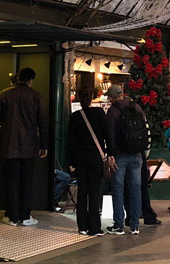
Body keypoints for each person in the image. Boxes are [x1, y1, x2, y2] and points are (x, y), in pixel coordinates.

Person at [0, 68, 49, 227]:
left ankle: (11, 216)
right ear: (31, 80)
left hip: (8, 145)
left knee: (11, 181)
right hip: (29, 147)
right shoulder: (36, 96)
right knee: (27, 181)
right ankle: (25, 216)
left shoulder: (4, 94)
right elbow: (43, 123)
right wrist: (44, 145)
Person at [108, 85, 162, 227]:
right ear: (122, 94)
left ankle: (119, 223)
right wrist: (144, 152)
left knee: (119, 188)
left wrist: (110, 154)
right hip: (137, 154)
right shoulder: (136, 107)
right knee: (136, 188)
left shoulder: (113, 111)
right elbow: (145, 129)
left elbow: (111, 135)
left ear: (111, 98)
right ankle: (135, 224)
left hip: (120, 155)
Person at [66, 88, 109, 236]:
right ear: (92, 98)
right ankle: (94, 227)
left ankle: (82, 226)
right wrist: (110, 154)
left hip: (80, 158)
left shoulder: (75, 116)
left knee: (82, 191)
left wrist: (70, 161)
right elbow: (107, 134)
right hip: (95, 157)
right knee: (95, 191)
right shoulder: (99, 114)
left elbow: (70, 140)